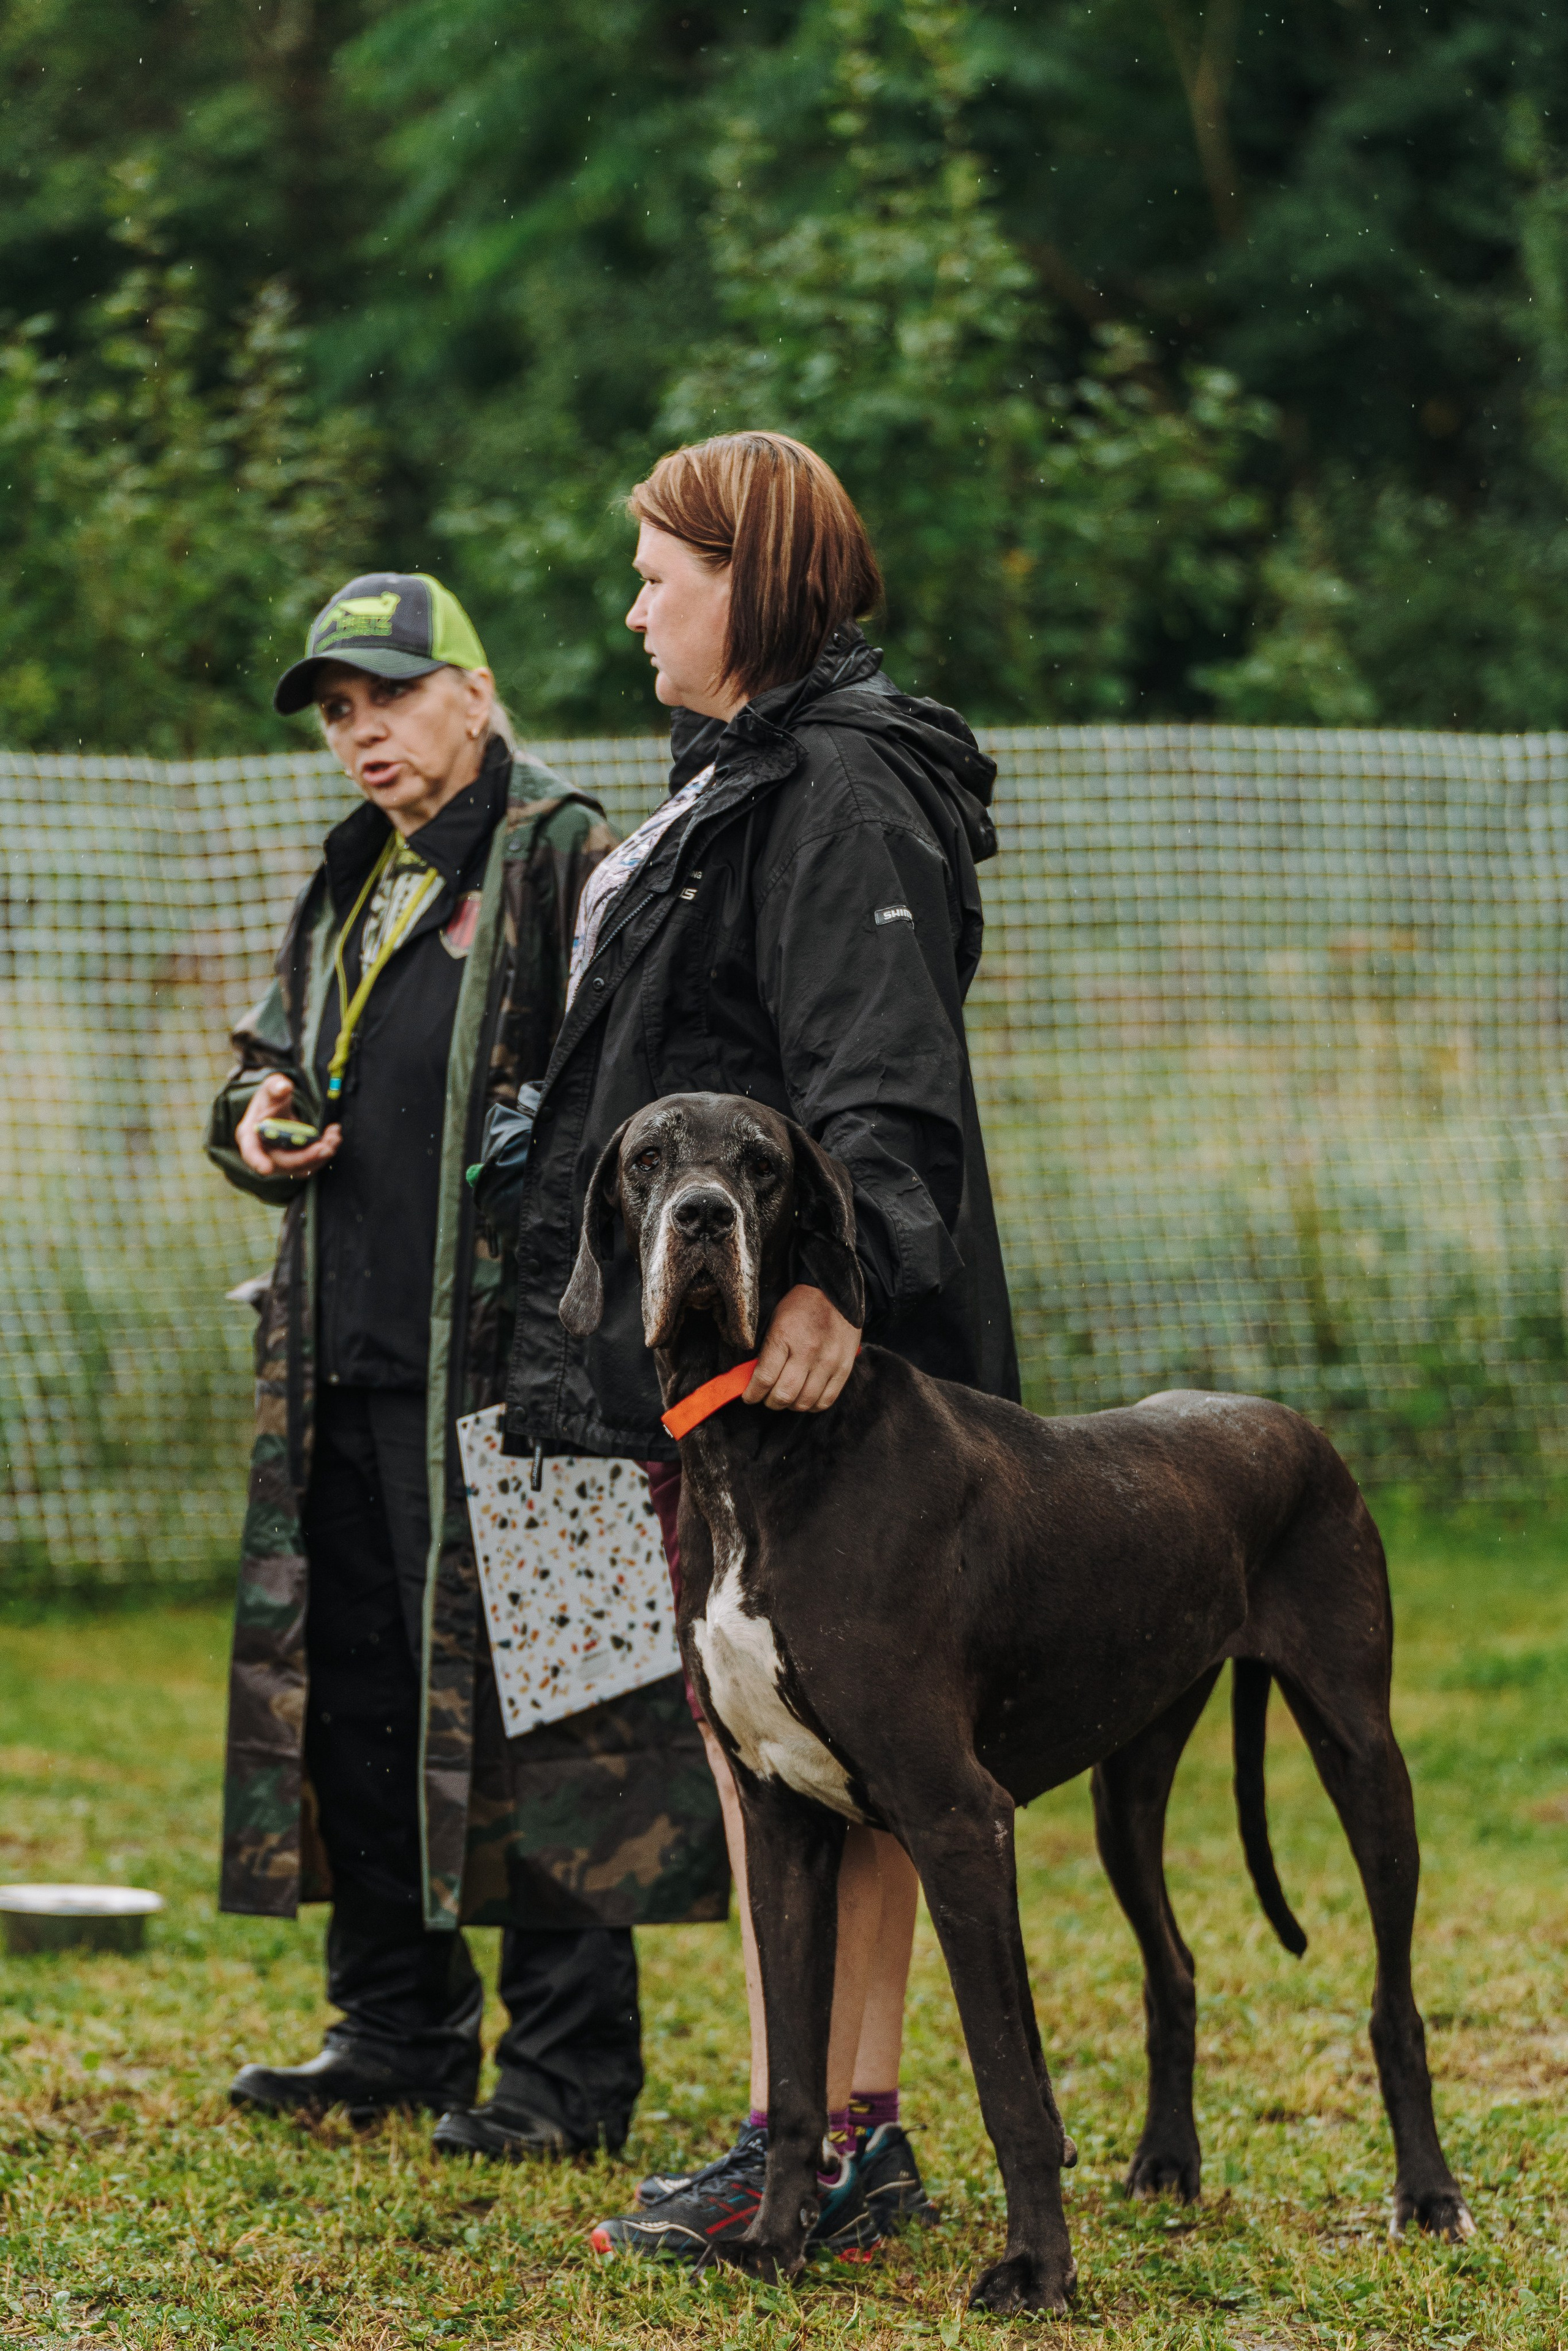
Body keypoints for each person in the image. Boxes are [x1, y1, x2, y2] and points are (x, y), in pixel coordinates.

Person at [496, 433, 1019, 2259]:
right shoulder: (737, 777)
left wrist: (834, 1290)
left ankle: (843, 2136)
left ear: (755, 579)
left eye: (661, 575)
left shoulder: (840, 783)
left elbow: (884, 1071)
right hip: (708, 1357)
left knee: (849, 1740)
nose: (636, 609)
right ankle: (807, 2124)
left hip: (815, 1368)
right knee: (768, 1737)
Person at [205, 571, 726, 2158]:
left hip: (534, 1376)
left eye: (395, 697)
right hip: (349, 1367)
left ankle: (567, 2077)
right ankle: (395, 2029)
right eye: (340, 713)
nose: (365, 735)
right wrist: (252, 1120)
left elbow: (651, 1089)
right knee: (362, 1696)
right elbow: (269, 1058)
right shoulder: (356, 873)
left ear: (478, 694)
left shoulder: (570, 857)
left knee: (563, 1707)